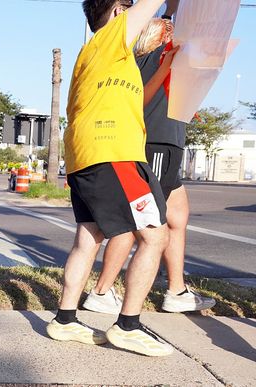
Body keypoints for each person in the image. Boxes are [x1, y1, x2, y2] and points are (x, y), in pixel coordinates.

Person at [46, 0, 177, 357]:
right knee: (155, 235)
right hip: (113, 152)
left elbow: (141, 102)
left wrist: (164, 65)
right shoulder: (111, 37)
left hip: (87, 157)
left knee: (89, 237)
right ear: (120, 12)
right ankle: (128, 327)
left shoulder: (110, 58)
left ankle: (65, 319)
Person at [83, 13, 215, 315]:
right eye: (168, 28)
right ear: (158, 36)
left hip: (165, 146)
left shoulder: (143, 59)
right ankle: (102, 291)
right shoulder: (157, 57)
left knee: (178, 214)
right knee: (139, 222)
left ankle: (177, 289)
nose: (173, 32)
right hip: (156, 145)